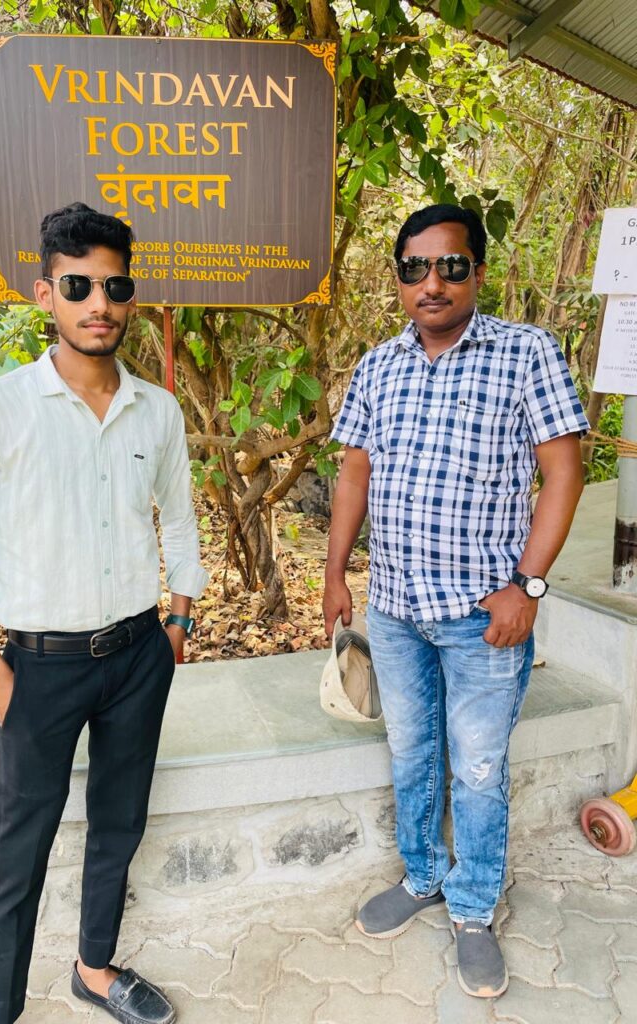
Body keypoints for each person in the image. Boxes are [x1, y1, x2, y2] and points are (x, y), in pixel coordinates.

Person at [0, 202, 208, 1024]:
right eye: (78, 284)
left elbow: (180, 521)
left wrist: (178, 620)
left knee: (119, 823)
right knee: (20, 850)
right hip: (36, 669)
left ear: (130, 295)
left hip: (137, 655)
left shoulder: (157, 410)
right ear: (44, 292)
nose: (99, 303)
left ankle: (93, 969)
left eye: (115, 285)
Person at [323, 204, 587, 999]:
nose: (431, 283)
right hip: (396, 608)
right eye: (415, 269)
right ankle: (422, 874)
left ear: (478, 271)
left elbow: (563, 473)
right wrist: (337, 575)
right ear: (400, 277)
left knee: (475, 769)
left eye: (450, 266)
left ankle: (473, 908)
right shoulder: (379, 365)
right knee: (411, 753)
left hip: (485, 616)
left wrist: (528, 586)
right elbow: (354, 477)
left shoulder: (526, 353)